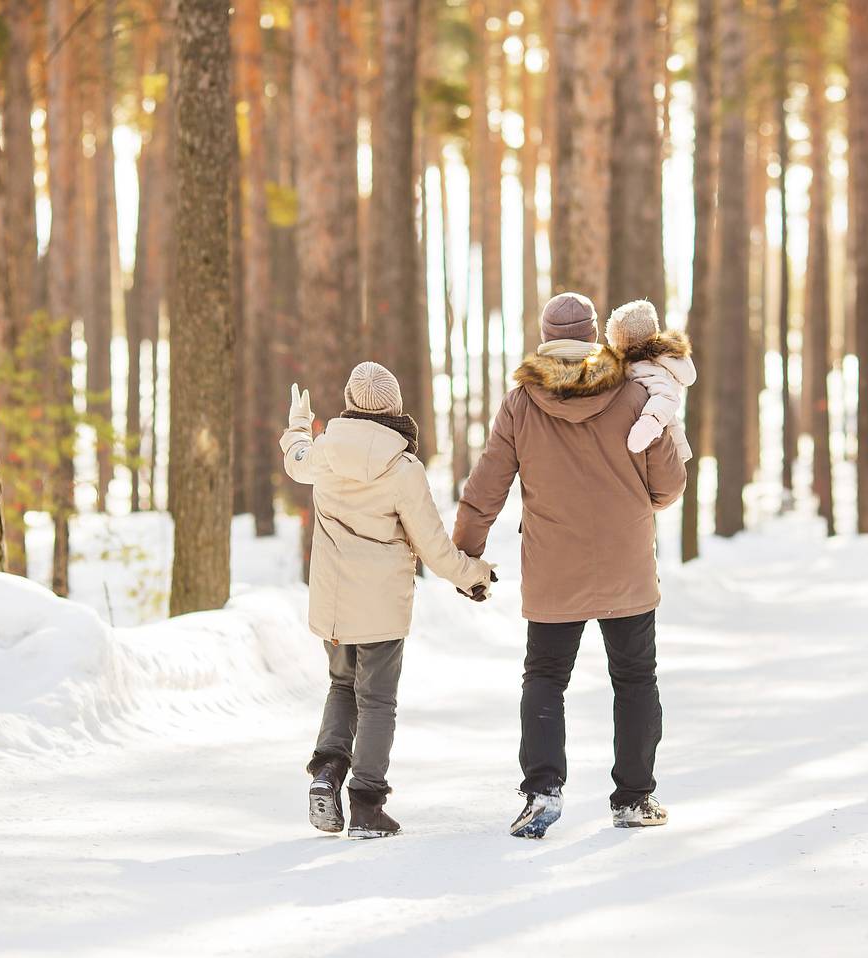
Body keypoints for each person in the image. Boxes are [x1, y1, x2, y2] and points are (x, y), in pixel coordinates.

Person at [452, 292, 687, 839]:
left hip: (553, 564)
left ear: (544, 335)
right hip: (626, 561)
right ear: (594, 332)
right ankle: (634, 797)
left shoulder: (521, 403)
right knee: (633, 679)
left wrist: (466, 552)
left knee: (545, 677)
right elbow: (669, 484)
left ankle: (541, 791)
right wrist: (637, 505)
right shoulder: (634, 394)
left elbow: (488, 485)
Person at [281, 362, 494, 839]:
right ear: (394, 406)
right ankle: (367, 806)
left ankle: (326, 777)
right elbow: (433, 544)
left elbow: (296, 458)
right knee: (376, 700)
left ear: (352, 404)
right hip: (380, 607)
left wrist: (298, 424)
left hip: (334, 604)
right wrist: (472, 575)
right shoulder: (402, 468)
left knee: (341, 687)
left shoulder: (324, 453)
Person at [605, 299, 696, 462]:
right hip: (664, 446)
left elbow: (667, 397)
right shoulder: (658, 360)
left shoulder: (644, 366)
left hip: (659, 447)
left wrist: (647, 426)